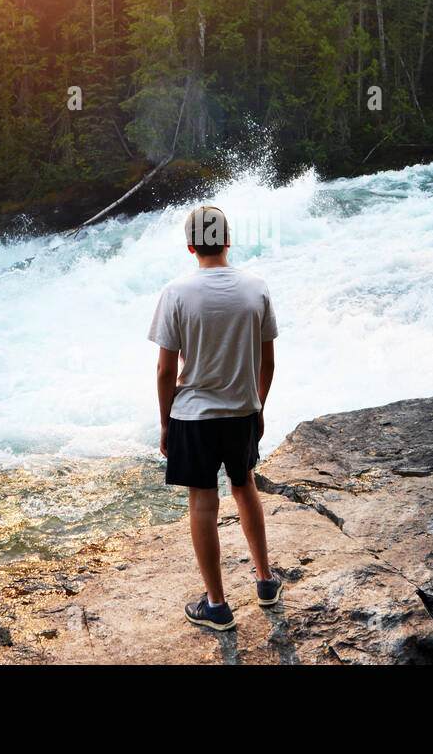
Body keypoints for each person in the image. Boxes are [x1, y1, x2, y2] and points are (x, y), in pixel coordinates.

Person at [147, 205, 282, 631]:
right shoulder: (255, 288)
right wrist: (257, 404)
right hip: (241, 411)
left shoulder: (176, 293)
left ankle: (217, 605)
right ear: (227, 241)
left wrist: (167, 421)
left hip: (195, 416)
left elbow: (166, 370)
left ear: (190, 246)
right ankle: (265, 582)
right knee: (245, 488)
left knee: (203, 502)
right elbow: (268, 362)